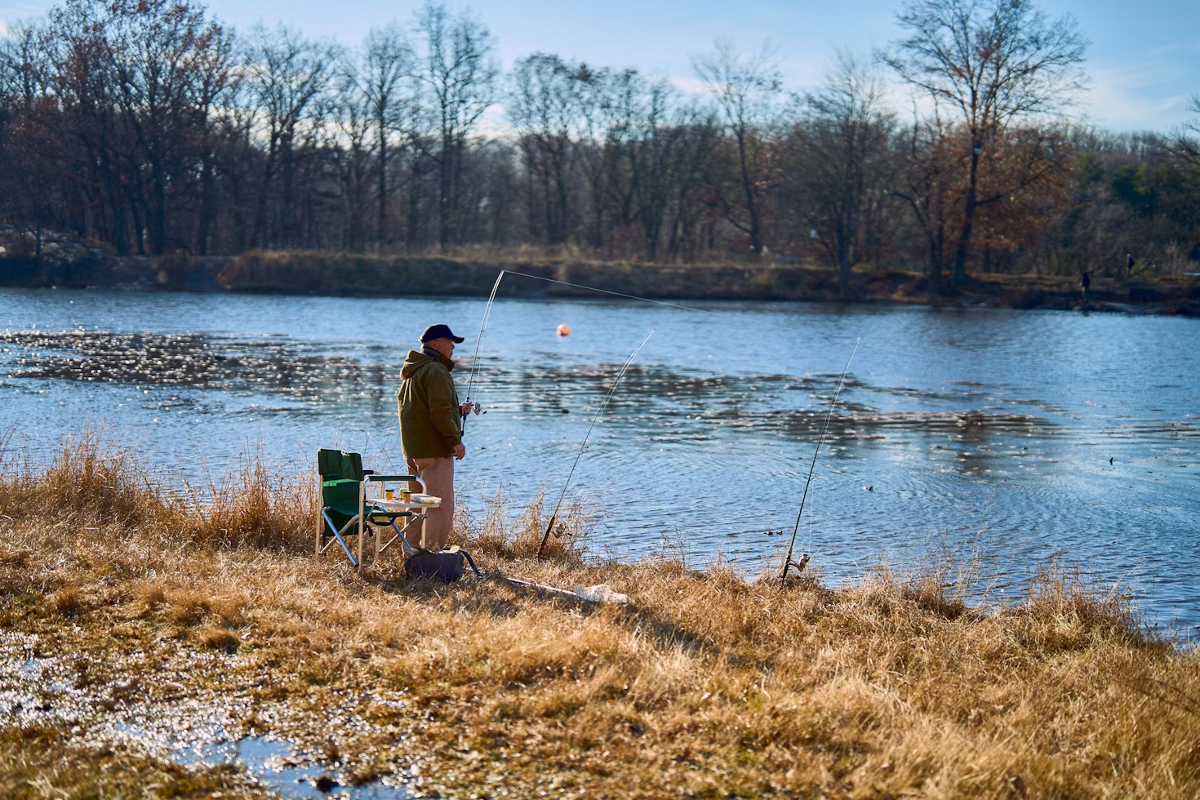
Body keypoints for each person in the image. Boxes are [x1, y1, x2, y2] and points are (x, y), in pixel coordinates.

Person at [397, 323, 474, 552]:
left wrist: (457, 410)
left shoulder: (414, 370)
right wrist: (454, 441)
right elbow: (439, 412)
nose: (453, 348)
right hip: (434, 451)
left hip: (414, 452)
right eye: (450, 343)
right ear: (435, 344)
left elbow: (424, 409)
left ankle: (411, 554)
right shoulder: (437, 370)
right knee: (438, 506)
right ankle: (431, 556)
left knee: (415, 505)